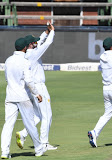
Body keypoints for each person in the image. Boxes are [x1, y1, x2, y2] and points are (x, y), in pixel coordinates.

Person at [1, 38, 47, 158]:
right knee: (30, 124)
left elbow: (7, 78)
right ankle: (38, 149)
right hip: (23, 97)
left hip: (10, 96)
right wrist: (37, 94)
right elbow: (29, 81)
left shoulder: (8, 60)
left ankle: (5, 152)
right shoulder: (25, 61)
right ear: (24, 48)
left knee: (8, 125)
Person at [16, 22, 57, 150]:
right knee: (47, 115)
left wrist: (46, 32)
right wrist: (53, 32)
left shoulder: (28, 52)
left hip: (32, 88)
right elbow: (47, 44)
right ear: (29, 45)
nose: (36, 43)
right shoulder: (33, 54)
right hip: (39, 87)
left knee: (38, 116)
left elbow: (39, 42)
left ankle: (23, 133)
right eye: (33, 43)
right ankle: (44, 143)